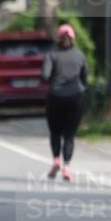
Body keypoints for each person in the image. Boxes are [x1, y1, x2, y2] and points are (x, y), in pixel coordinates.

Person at [41, 23, 88, 182]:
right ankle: (67, 167)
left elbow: (45, 75)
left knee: (55, 132)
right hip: (76, 97)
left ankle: (55, 160)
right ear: (73, 39)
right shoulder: (80, 55)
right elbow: (85, 79)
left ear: (58, 38)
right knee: (69, 135)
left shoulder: (51, 54)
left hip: (55, 97)